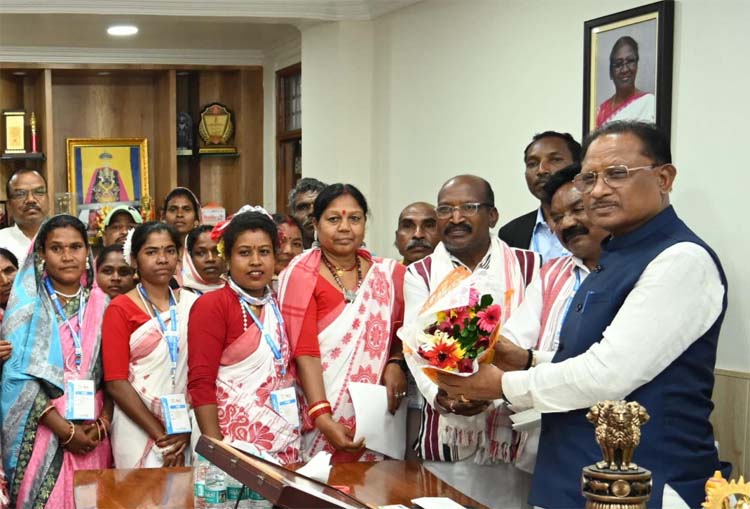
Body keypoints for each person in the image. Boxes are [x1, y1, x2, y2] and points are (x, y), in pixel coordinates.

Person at [436, 122, 728, 509]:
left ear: (664, 178)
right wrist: (524, 359)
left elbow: (607, 375)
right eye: (589, 178)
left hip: (640, 484)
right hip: (570, 476)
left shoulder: (680, 260)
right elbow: (590, 356)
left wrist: (501, 385)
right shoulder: (612, 257)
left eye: (617, 174)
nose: (600, 190)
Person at [400, 175, 537, 508]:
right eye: (446, 209)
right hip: (447, 429)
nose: (456, 218)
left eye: (469, 207)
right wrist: (444, 396)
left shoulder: (530, 265)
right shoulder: (420, 273)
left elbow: (530, 333)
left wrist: (491, 385)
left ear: (492, 216)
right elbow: (415, 348)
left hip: (511, 428)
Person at [491, 163, 609, 473]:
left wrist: (526, 361)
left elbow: (602, 367)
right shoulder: (552, 273)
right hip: (549, 436)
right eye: (557, 218)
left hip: (609, 442)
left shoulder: (629, 272)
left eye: (578, 209)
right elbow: (514, 338)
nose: (568, 223)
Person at [278, 184, 407, 462]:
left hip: (374, 417)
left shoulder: (388, 274)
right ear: (315, 224)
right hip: (316, 411)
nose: (345, 227)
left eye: (355, 218)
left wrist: (396, 362)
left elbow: (403, 332)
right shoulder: (301, 274)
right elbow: (304, 350)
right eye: (334, 219)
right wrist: (322, 415)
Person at [1, 215, 113, 509]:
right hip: (43, 430)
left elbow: (116, 374)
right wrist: (65, 430)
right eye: (57, 248)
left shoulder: (103, 304)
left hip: (95, 434)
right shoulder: (26, 307)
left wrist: (103, 424)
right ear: (41, 254)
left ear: (87, 253)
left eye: (75, 247)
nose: (67, 256)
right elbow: (16, 378)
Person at [188, 208, 301, 464]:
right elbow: (200, 383)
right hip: (231, 443)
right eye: (244, 253)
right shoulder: (212, 305)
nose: (255, 262)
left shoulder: (280, 302)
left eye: (264, 252)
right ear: (226, 257)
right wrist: (219, 452)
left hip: (284, 437)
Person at [102, 222, 197, 468]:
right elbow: (115, 381)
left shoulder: (192, 303)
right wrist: (161, 436)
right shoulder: (120, 309)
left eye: (169, 251)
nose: (162, 259)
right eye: (151, 252)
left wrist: (186, 428)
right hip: (137, 426)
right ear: (134, 260)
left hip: (186, 425)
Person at [498, 132, 581, 263]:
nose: (541, 170)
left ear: (578, 165)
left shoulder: (598, 223)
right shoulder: (511, 233)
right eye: (532, 164)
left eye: (555, 160)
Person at [596, 36, 656, 128]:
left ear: (636, 65)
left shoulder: (650, 103)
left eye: (630, 61)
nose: (625, 70)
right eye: (618, 64)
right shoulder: (602, 110)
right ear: (611, 72)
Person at [0, 169, 50, 265]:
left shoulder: (64, 238)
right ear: (9, 205)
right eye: (20, 194)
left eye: (39, 192)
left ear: (48, 199)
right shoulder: (1, 240)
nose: (31, 199)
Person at [182, 225, 226, 295]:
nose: (210, 259)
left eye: (217, 251)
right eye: (201, 253)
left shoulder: (239, 294)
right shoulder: (179, 298)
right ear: (189, 258)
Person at [288, 177, 327, 249]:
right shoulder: (287, 254)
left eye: (318, 205)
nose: (311, 212)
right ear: (293, 215)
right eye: (303, 207)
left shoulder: (347, 253)